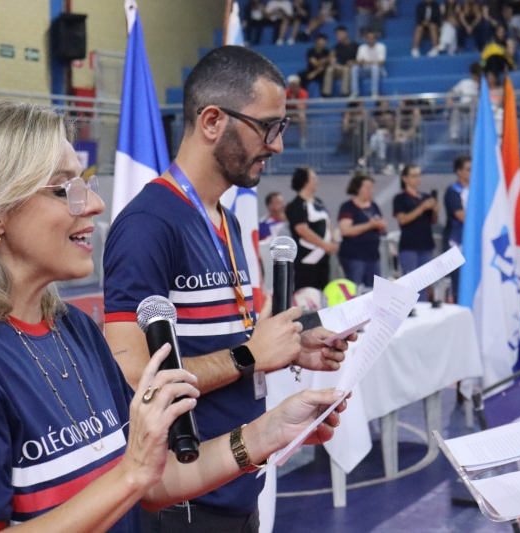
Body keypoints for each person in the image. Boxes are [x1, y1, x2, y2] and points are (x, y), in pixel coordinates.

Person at [0, 100, 350, 533]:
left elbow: (153, 481)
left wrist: (269, 432)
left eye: (86, 184)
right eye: (64, 189)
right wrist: (131, 474)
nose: (94, 204)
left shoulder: (73, 329)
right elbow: (135, 476)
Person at [102, 47, 355, 532]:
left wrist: (289, 347)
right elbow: (131, 377)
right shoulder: (148, 224)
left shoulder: (226, 219)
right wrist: (249, 356)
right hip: (182, 501)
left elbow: (220, 341)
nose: (277, 145)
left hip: (236, 483)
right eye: (268, 126)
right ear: (213, 121)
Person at [286, 167, 338, 291]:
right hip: (307, 259)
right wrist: (324, 245)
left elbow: (327, 222)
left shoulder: (318, 202)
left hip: (323, 258)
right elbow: (302, 229)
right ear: (305, 182)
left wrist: (333, 241)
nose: (317, 181)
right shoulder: (296, 205)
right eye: (313, 178)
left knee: (324, 292)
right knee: (306, 293)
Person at [393, 164, 438, 301]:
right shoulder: (400, 198)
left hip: (426, 243)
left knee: (424, 281)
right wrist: (422, 208)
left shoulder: (424, 196)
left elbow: (433, 220)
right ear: (405, 178)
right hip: (409, 244)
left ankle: (423, 305)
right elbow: (402, 219)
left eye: (418, 176)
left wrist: (435, 210)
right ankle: (410, 307)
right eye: (413, 176)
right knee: (411, 281)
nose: (417, 179)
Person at [337, 173, 386, 288]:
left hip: (373, 255)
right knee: (355, 286)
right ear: (358, 188)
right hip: (355, 255)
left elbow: (382, 224)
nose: (371, 191)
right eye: (367, 187)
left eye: (371, 187)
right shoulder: (348, 207)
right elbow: (346, 230)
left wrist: (380, 225)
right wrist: (369, 225)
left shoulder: (373, 206)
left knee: (374, 288)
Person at [445, 154, 471, 302]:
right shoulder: (453, 191)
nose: (472, 173)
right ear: (459, 171)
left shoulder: (477, 190)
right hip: (458, 242)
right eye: (468, 169)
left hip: (474, 242)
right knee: (460, 281)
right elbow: (461, 215)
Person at [448, 63, 482, 141]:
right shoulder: (464, 83)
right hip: (464, 107)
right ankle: (454, 135)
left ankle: (475, 136)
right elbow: (452, 91)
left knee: (474, 103)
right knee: (456, 109)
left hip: (477, 107)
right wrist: (449, 99)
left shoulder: (484, 84)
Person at [322, 25, 358, 97]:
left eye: (340, 34)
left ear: (345, 33)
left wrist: (353, 62)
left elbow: (359, 60)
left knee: (346, 70)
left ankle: (345, 93)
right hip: (340, 68)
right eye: (337, 35)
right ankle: (326, 93)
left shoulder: (355, 46)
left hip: (351, 69)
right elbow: (332, 59)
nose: (339, 36)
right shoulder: (336, 47)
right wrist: (336, 65)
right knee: (329, 69)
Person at [351, 29, 386, 98]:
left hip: (378, 71)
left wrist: (367, 61)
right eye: (369, 38)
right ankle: (355, 92)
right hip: (365, 70)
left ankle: (374, 92)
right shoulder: (361, 48)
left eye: (372, 38)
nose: (371, 39)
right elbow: (358, 61)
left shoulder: (381, 47)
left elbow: (381, 62)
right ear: (365, 39)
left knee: (375, 67)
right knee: (355, 68)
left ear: (375, 38)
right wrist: (360, 62)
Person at [286, 74, 309, 146]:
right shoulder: (286, 92)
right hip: (287, 114)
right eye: (292, 85)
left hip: (297, 114)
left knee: (302, 116)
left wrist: (294, 100)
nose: (293, 87)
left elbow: (301, 108)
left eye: (295, 85)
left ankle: (303, 139)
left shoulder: (303, 93)